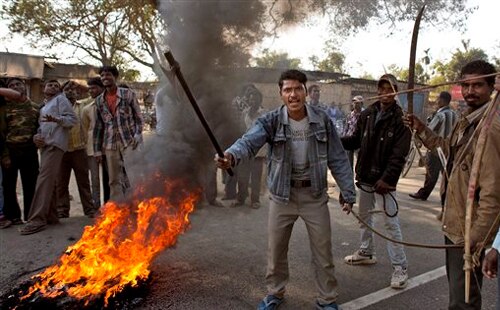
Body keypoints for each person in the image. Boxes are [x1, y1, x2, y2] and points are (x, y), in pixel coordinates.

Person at [215, 69, 356, 310]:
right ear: (281, 94)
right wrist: (230, 155)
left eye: (297, 89)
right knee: (276, 251)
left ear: (305, 91)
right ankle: (274, 293)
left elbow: (338, 158)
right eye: (287, 90)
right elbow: (248, 142)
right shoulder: (270, 121)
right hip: (282, 196)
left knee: (323, 253)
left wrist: (348, 191)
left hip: (314, 196)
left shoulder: (322, 120)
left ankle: (327, 299)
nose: (293, 94)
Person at [405, 60, 500, 309]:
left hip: (469, 230)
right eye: (466, 85)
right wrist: (421, 129)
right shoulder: (466, 120)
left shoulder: (490, 127)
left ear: (492, 86)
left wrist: (476, 238)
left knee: (463, 301)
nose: (470, 91)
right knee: (459, 296)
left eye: (478, 85)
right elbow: (447, 150)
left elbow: (493, 193)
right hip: (456, 222)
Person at [341, 74, 412, 289]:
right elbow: (355, 140)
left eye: (389, 89)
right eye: (381, 89)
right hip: (365, 176)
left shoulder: (402, 120)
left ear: (396, 91)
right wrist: (336, 140)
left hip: (385, 182)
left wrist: (388, 179)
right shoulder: (368, 114)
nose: (384, 93)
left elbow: (399, 155)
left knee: (391, 223)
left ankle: (400, 267)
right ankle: (366, 251)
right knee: (364, 217)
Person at [19, 80, 77, 235]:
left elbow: (72, 120)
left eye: (56, 85)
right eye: (50, 85)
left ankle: (37, 219)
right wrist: (36, 137)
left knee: (44, 180)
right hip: (44, 146)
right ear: (44, 88)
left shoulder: (61, 99)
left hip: (55, 145)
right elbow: (41, 127)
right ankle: (51, 217)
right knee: (49, 180)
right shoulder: (44, 106)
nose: (53, 87)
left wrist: (57, 119)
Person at [93, 66, 143, 201]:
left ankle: (137, 204)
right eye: (102, 76)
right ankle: (117, 207)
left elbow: (139, 118)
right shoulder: (99, 100)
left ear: (115, 76)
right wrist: (97, 150)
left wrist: (138, 135)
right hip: (110, 144)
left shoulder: (128, 94)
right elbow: (98, 127)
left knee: (133, 175)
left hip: (129, 142)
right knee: (114, 179)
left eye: (108, 75)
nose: (105, 78)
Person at [0, 78, 39, 228]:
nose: (15, 87)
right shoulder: (5, 108)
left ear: (24, 86)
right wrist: (4, 155)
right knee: (8, 185)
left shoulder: (35, 108)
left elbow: (39, 129)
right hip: (10, 150)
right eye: (11, 85)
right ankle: (13, 216)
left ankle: (31, 215)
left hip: (29, 151)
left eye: (18, 84)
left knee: (31, 184)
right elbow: (1, 133)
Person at [409, 91, 457, 207]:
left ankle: (424, 194)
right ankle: (448, 199)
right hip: (449, 149)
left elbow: (429, 130)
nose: (436, 101)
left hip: (436, 148)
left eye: (438, 99)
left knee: (431, 173)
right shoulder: (454, 114)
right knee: (447, 175)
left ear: (442, 100)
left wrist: (420, 136)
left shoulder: (440, 115)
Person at [56, 80, 95, 218]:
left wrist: (79, 84)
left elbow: (95, 95)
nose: (70, 91)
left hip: (79, 150)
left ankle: (89, 209)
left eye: (73, 89)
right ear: (61, 92)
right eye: (66, 89)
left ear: (77, 92)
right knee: (61, 183)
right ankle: (62, 210)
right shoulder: (56, 107)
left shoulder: (83, 105)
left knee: (83, 182)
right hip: (62, 151)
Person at [234, 84, 267, 209]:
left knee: (256, 177)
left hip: (258, 151)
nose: (252, 101)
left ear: (259, 100)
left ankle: (255, 200)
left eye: (255, 99)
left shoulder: (264, 114)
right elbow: (242, 129)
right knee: (242, 175)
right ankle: (241, 198)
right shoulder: (245, 113)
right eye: (251, 98)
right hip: (246, 149)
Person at [82, 77, 110, 209]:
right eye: (89, 88)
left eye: (94, 88)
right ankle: (96, 207)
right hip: (92, 148)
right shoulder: (87, 109)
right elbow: (86, 128)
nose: (91, 91)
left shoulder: (110, 104)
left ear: (102, 88)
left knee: (110, 178)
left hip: (109, 146)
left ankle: (110, 205)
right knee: (95, 179)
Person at [342, 95, 364, 169]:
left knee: (361, 160)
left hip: (359, 141)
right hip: (349, 139)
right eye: (354, 102)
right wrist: (344, 138)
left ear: (361, 104)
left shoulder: (364, 115)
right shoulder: (350, 115)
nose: (355, 104)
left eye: (357, 103)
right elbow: (346, 128)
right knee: (348, 162)